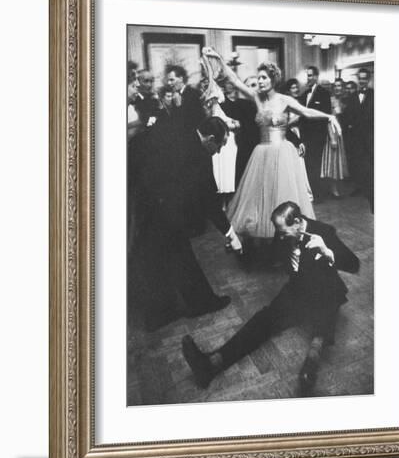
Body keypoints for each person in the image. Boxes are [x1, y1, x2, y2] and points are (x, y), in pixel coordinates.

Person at [182, 201, 360, 396]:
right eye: (279, 232)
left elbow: (353, 263)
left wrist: (327, 251)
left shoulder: (324, 232)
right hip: (297, 291)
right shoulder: (283, 232)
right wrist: (241, 249)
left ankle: (310, 367)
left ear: (298, 223)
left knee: (320, 333)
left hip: (325, 291)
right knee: (262, 321)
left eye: (283, 232)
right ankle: (212, 364)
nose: (281, 237)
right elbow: (269, 255)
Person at [202, 48, 341, 239]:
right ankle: (268, 234)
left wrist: (329, 116)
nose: (260, 81)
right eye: (258, 78)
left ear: (273, 79)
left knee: (283, 195)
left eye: (264, 78)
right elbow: (233, 79)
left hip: (283, 153)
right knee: (262, 197)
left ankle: (288, 233)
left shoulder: (285, 100)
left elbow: (306, 112)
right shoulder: (256, 98)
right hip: (261, 153)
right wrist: (218, 59)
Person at [129, 115, 243, 331]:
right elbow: (210, 200)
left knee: (156, 258)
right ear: (210, 138)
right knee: (178, 255)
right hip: (158, 207)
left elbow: (137, 143)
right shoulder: (199, 155)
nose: (218, 152)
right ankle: (198, 304)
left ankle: (161, 314)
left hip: (144, 201)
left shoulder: (179, 129)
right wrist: (230, 234)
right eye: (219, 145)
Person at [299, 66, 332, 201]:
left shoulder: (324, 93)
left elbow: (326, 115)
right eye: (307, 76)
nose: (308, 78)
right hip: (305, 135)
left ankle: (318, 195)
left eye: (311, 75)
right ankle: (312, 193)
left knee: (316, 166)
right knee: (307, 165)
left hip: (318, 136)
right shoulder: (304, 94)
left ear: (317, 77)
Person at [349, 68, 374, 211]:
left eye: (365, 78)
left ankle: (371, 190)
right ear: (358, 79)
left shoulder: (374, 95)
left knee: (370, 165)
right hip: (356, 137)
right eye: (360, 78)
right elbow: (349, 115)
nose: (362, 81)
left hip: (370, 136)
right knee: (358, 163)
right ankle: (361, 188)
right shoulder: (352, 96)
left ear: (368, 79)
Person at [320, 78, 350, 198]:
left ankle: (337, 188)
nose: (338, 88)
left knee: (339, 162)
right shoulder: (330, 100)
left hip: (341, 134)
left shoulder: (343, 100)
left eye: (340, 86)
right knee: (332, 161)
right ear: (333, 87)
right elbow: (328, 120)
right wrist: (332, 138)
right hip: (332, 133)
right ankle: (332, 189)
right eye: (336, 86)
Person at [166, 64, 206, 130]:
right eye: (168, 80)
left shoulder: (194, 93)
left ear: (181, 79)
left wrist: (179, 106)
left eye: (172, 80)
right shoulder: (174, 96)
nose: (169, 83)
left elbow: (196, 119)